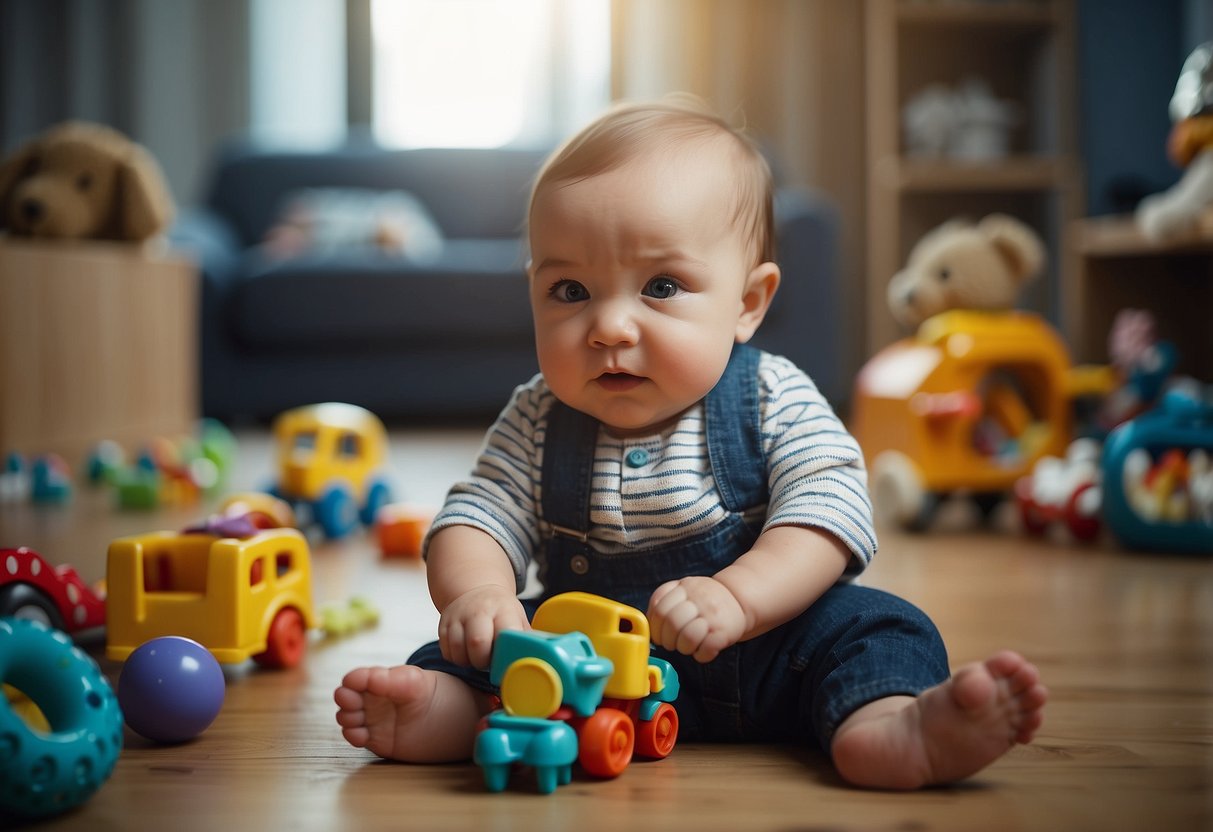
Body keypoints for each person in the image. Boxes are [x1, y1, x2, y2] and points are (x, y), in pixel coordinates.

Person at [334, 96, 1047, 789]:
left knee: (883, 627)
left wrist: (738, 597)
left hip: (768, 647)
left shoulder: (771, 396)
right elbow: (476, 515)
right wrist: (482, 594)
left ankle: (888, 724)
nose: (609, 326)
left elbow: (828, 509)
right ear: (533, 294)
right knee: (465, 649)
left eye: (661, 286)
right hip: (583, 675)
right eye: (570, 291)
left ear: (746, 303)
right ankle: (451, 713)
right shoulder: (537, 416)